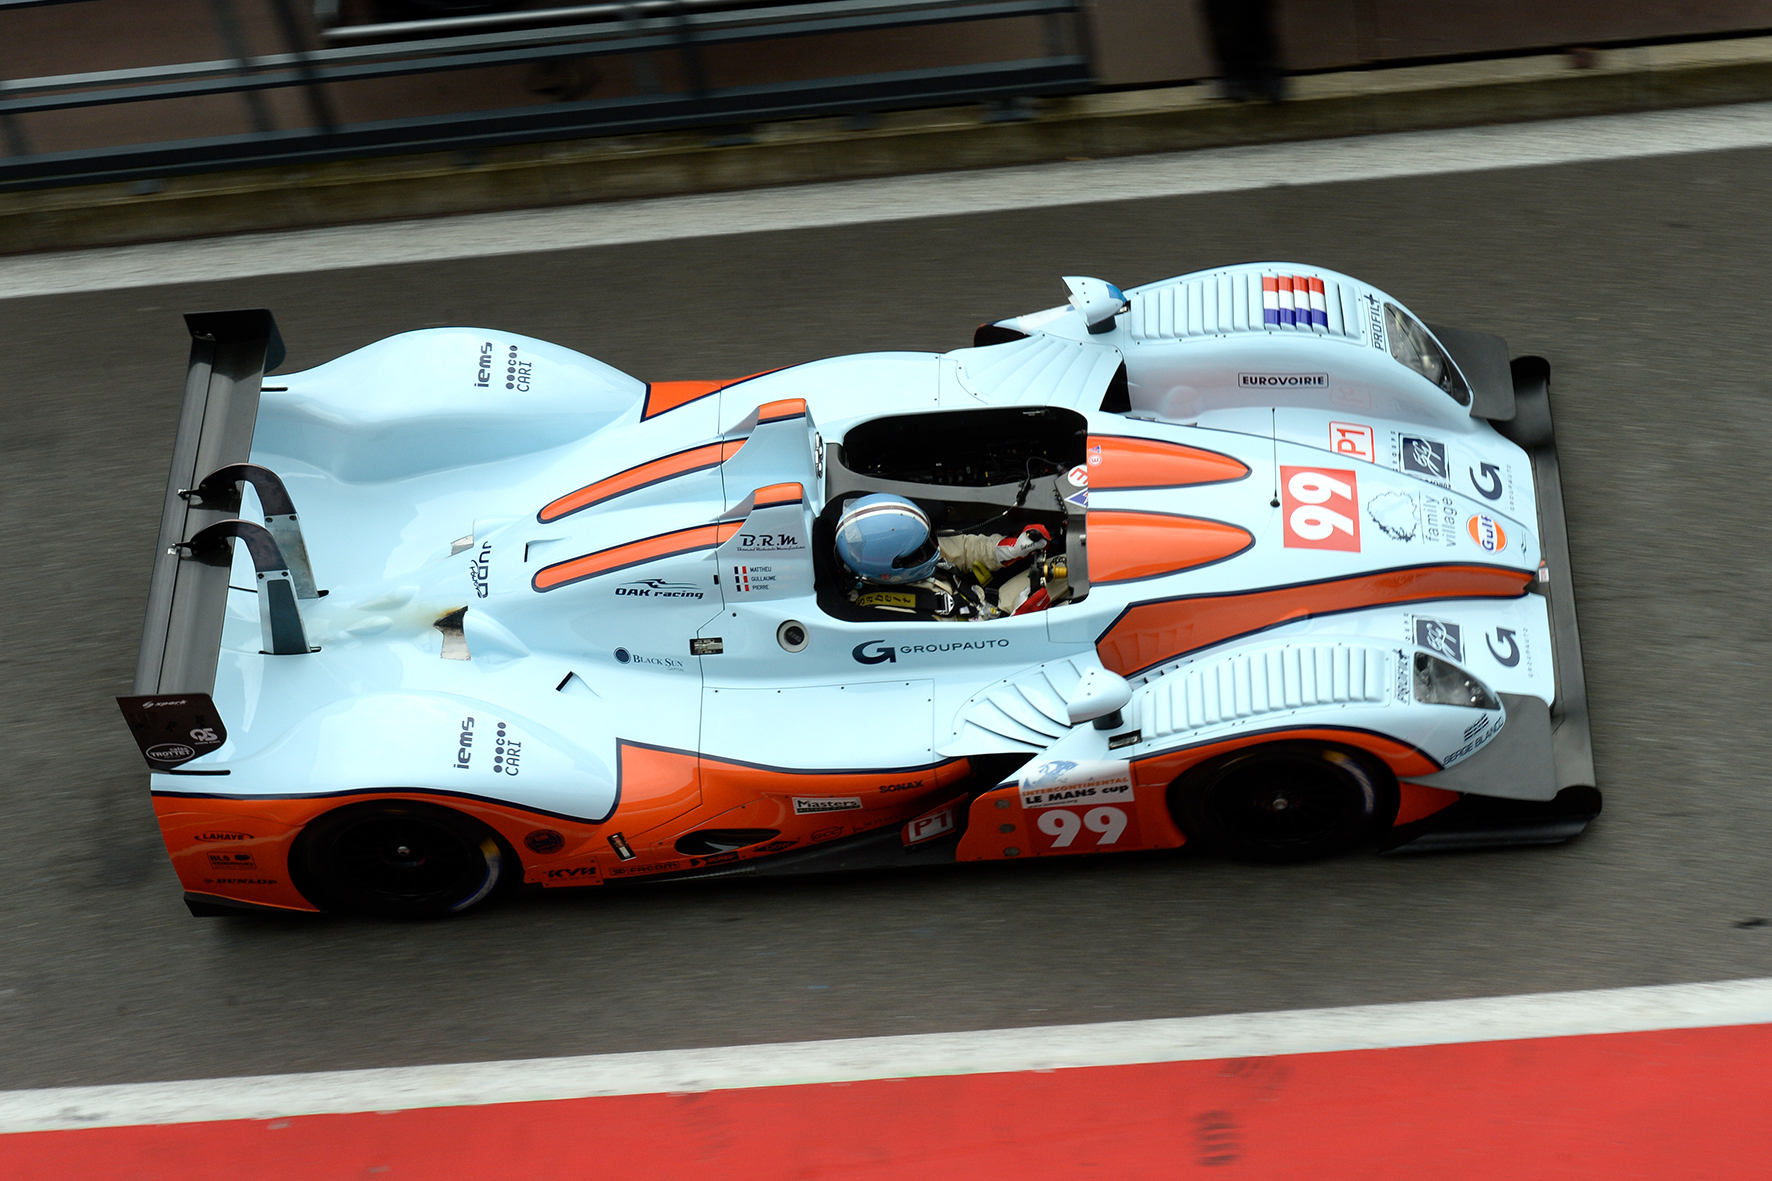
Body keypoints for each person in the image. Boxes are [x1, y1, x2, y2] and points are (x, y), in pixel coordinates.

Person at [834, 494, 1054, 620]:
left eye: (930, 540)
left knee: (1067, 565)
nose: (935, 550)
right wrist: (1019, 620)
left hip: (988, 605)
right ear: (889, 570)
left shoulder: (913, 542)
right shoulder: (892, 619)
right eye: (922, 552)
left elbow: (966, 549)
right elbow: (964, 652)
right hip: (990, 633)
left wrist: (1012, 549)